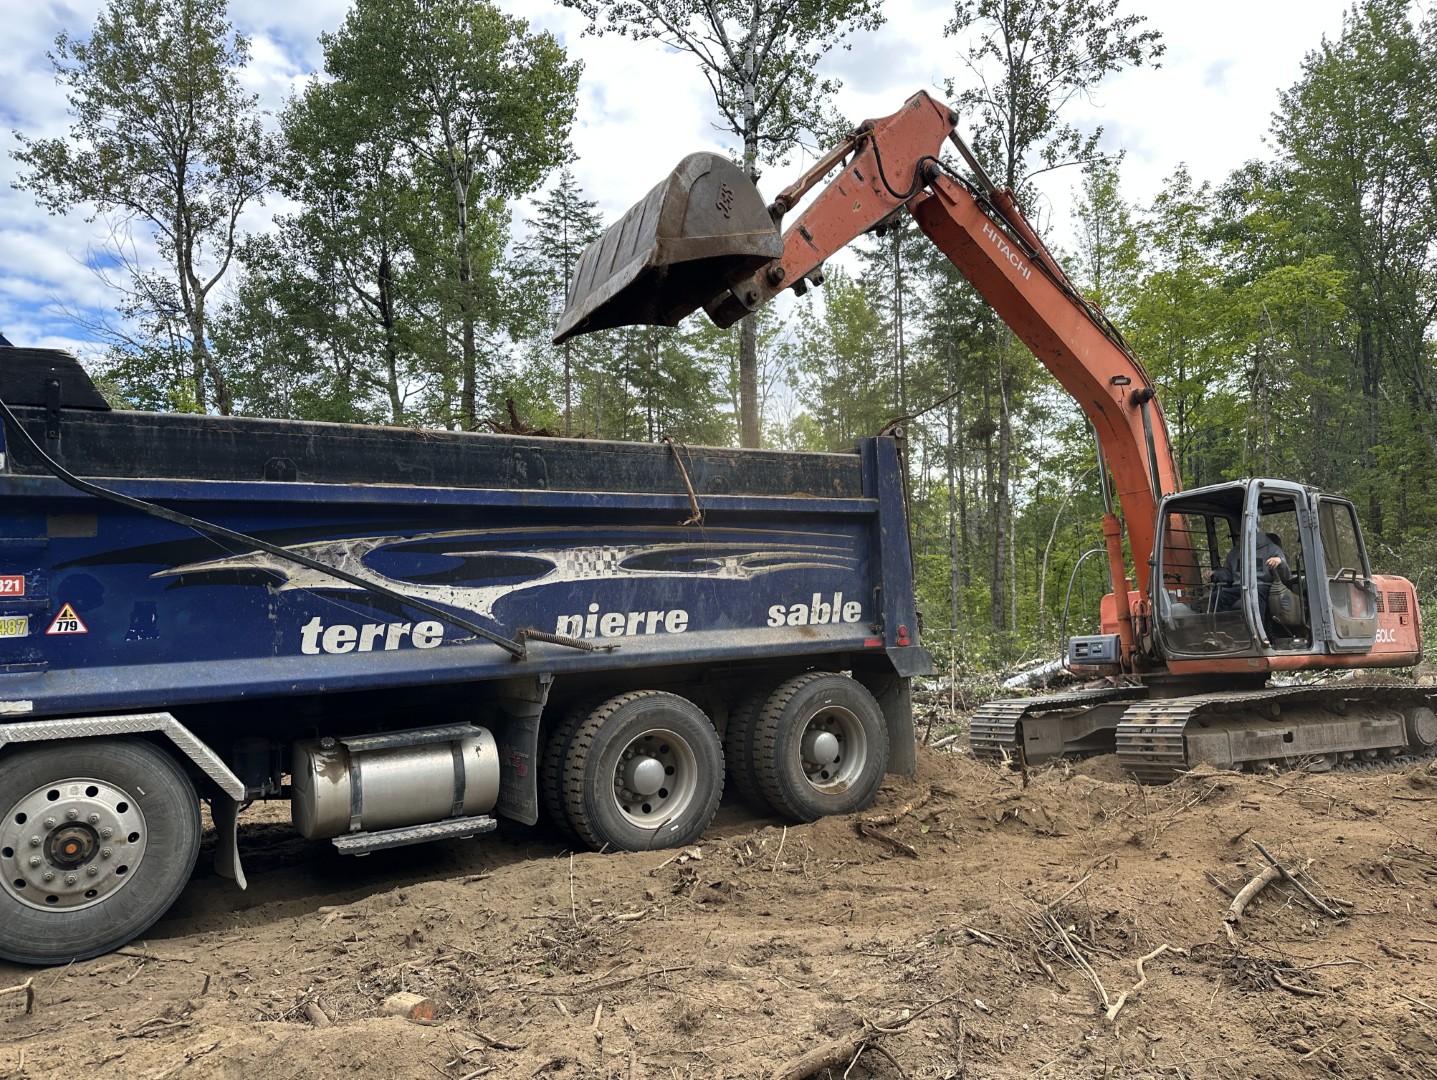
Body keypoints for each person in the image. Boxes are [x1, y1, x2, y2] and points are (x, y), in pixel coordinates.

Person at [1207, 532, 1290, 613]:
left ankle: (1258, 622)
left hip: (1262, 586)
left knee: (1255, 597)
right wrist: (1215, 574)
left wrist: (1279, 562)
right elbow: (1229, 574)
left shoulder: (1272, 549)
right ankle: (1228, 622)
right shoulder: (1235, 552)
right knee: (1217, 597)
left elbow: (1285, 575)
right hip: (1239, 587)